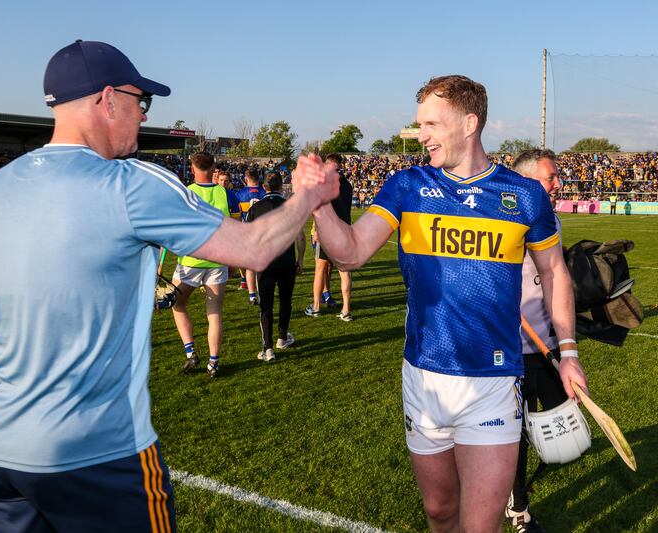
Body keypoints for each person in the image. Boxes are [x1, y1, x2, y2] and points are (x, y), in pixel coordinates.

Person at [0, 39, 338, 532]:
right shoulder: (130, 183)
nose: (143, 115)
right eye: (141, 102)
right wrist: (307, 197)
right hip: (93, 454)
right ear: (107, 99)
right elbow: (255, 249)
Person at [312, 75, 587, 532]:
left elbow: (555, 272)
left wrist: (570, 352)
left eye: (432, 124)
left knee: (480, 527)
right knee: (440, 512)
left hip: (493, 383)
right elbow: (352, 253)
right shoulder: (407, 186)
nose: (422, 135)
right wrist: (321, 207)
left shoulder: (523, 195)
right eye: (420, 124)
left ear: (469, 123)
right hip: (423, 375)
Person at [508, 149, 575, 532]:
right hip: (509, 349)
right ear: (529, 180)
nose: (557, 184)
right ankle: (519, 509)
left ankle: (511, 486)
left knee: (560, 432)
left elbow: (554, 279)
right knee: (513, 433)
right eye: (551, 178)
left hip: (544, 344)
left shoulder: (550, 220)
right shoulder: (501, 221)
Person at [171, 152, 230, 378]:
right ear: (214, 167)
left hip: (192, 260)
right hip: (217, 259)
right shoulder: (221, 191)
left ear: (192, 168)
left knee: (177, 304)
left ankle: (191, 353)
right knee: (214, 312)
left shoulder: (187, 193)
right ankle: (213, 364)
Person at [248, 172, 306, 361]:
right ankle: (282, 337)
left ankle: (268, 347)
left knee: (266, 305)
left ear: (264, 187)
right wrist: (301, 261)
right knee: (285, 301)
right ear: (282, 186)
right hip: (286, 262)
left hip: (265, 263)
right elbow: (301, 238)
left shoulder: (255, 208)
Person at [305, 154, 355, 321]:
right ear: (340, 165)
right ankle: (346, 309)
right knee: (344, 272)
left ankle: (316, 306)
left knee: (320, 270)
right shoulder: (347, 184)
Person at [235, 167, 266, 304]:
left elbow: (236, 214)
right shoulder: (265, 192)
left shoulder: (239, 194)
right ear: (258, 178)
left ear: (246, 178)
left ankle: (252, 294)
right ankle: (263, 290)